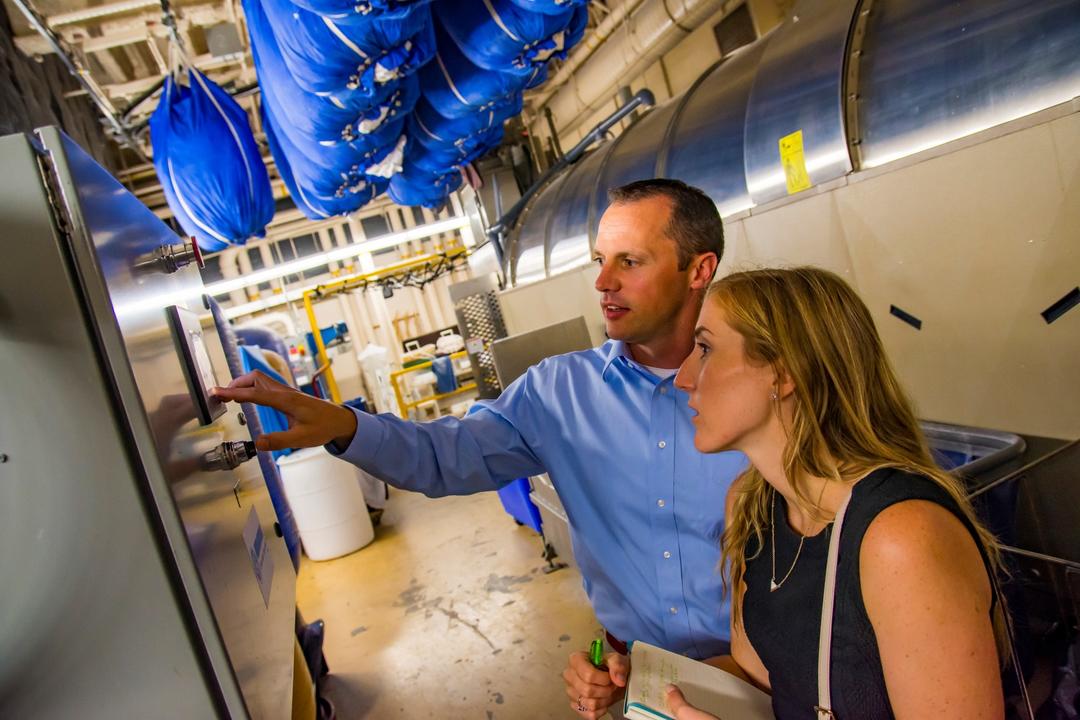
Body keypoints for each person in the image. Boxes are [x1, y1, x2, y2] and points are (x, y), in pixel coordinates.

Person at [210, 179, 747, 719]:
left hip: (765, 675)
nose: (603, 282)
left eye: (630, 261)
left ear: (699, 270)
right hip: (637, 682)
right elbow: (446, 455)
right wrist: (342, 425)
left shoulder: (761, 386)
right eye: (599, 260)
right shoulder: (557, 394)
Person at [665, 267, 1007, 719]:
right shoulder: (752, 505)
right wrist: (653, 689)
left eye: (705, 348)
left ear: (783, 374)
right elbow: (759, 675)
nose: (682, 377)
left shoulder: (900, 538)